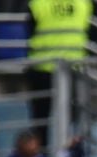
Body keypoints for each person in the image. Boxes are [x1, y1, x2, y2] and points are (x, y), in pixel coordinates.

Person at [26, 0, 91, 145]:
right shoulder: (82, 3)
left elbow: (29, 32)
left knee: (40, 122)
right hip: (73, 68)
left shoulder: (39, 3)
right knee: (73, 120)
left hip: (43, 68)